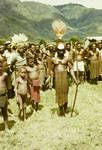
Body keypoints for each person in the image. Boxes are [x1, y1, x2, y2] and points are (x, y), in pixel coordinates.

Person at [51, 42, 78, 116]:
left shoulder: (67, 59)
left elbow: (71, 69)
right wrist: (51, 81)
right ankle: (60, 109)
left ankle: (65, 108)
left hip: (65, 78)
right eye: (59, 50)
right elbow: (51, 70)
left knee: (65, 93)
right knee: (59, 93)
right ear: (57, 50)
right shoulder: (53, 59)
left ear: (64, 50)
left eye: (62, 50)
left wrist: (75, 80)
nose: (61, 52)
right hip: (57, 79)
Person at [0, 61, 9, 130]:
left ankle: (7, 128)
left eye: (0, 66)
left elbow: (7, 85)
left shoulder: (5, 75)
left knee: (4, 112)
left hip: (3, 95)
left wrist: (6, 94)